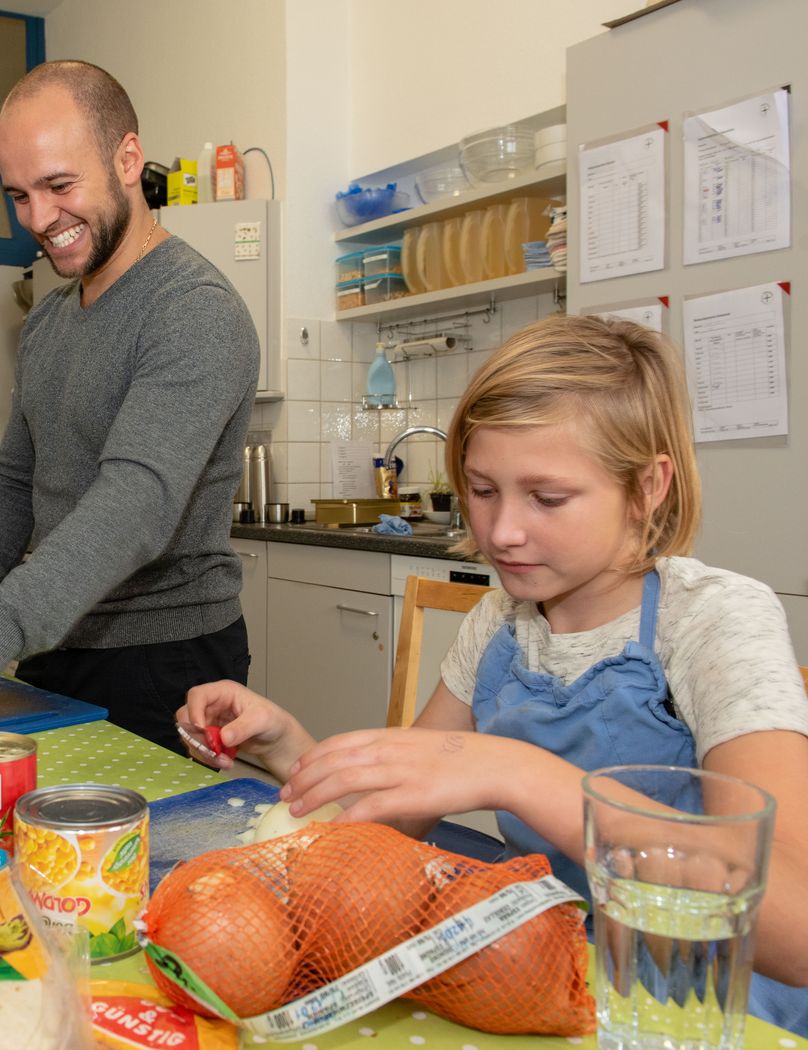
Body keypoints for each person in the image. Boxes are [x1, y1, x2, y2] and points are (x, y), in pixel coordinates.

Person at [180, 314, 808, 1032]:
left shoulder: (712, 622)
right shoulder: (501, 621)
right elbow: (401, 814)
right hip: (541, 981)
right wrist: (291, 751)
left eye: (547, 498)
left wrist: (520, 775)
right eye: (481, 490)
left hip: (707, 1015)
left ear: (647, 487)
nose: (502, 531)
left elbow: (795, 923)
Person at [0, 60, 258, 777]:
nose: (40, 220)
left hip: (162, 662)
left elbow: (133, 508)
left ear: (127, 159)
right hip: (54, 641)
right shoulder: (48, 322)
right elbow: (15, 475)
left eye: (60, 187)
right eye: (19, 196)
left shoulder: (193, 311)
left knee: (136, 879)